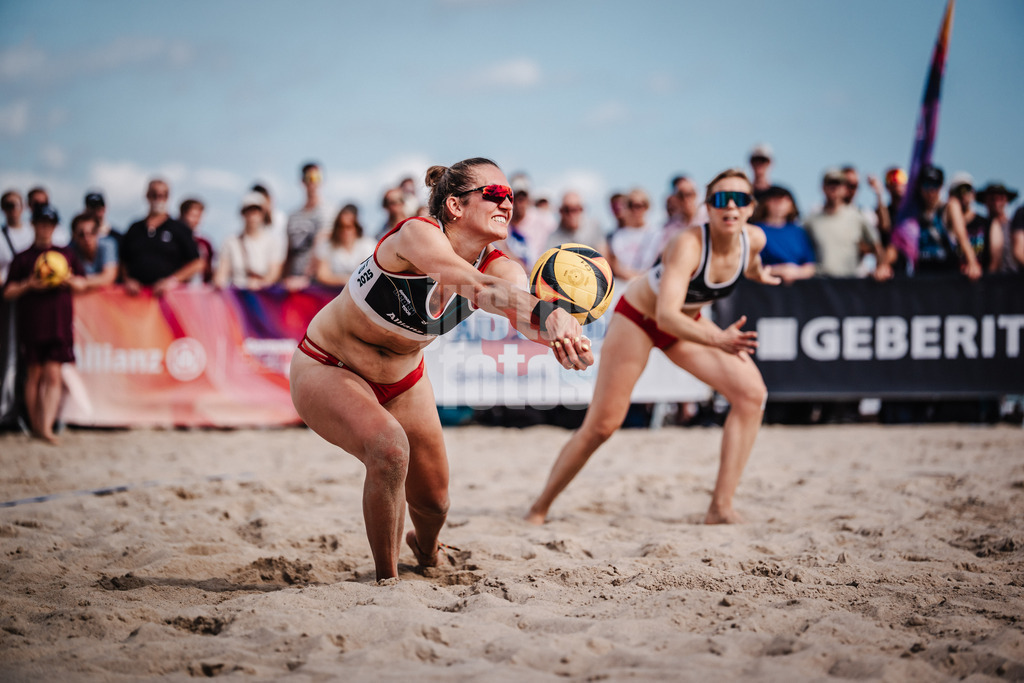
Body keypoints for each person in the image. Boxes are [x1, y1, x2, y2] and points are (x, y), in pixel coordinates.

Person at [289, 157, 591, 582]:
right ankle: (386, 582)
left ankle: (426, 550)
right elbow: (479, 289)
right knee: (389, 449)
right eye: (496, 194)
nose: (508, 204)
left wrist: (562, 336)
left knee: (435, 503)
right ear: (454, 206)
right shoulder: (416, 234)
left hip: (403, 379)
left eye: (511, 197)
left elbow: (518, 312)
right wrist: (548, 313)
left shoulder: (503, 265)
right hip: (328, 363)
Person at [526, 169, 780, 526]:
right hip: (641, 320)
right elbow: (666, 316)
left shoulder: (753, 240)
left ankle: (720, 508)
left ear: (751, 208)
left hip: (684, 324)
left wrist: (758, 274)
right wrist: (719, 339)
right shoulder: (688, 244)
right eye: (722, 199)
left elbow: (748, 262)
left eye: (740, 199)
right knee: (602, 426)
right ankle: (539, 507)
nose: (731, 207)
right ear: (708, 207)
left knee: (752, 395)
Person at [2, 205, 86, 444]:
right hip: (32, 324)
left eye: (49, 223)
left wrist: (67, 279)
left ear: (54, 226)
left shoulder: (66, 254)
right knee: (34, 375)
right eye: (41, 222)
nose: (45, 227)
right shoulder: (24, 258)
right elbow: (8, 291)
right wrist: (29, 285)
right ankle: (36, 426)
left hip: (59, 323)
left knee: (53, 375)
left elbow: (83, 283)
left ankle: (46, 427)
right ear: (34, 224)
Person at [803, 168, 890, 280]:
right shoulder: (811, 220)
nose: (834, 188)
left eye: (838, 184)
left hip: (850, 283)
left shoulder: (858, 217)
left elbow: (877, 245)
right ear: (823, 187)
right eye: (830, 184)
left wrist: (882, 267)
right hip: (820, 282)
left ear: (845, 189)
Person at [120, 179, 203, 296]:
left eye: (163, 195)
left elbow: (197, 263)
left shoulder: (179, 228)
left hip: (167, 299)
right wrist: (127, 279)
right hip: (135, 299)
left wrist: (173, 280)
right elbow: (123, 260)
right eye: (154, 194)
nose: (158, 198)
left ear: (168, 197)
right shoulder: (135, 228)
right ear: (147, 196)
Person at [213, 192, 285, 290]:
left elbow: (274, 274)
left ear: (263, 214)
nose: (253, 216)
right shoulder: (230, 242)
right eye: (249, 211)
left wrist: (260, 284)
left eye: (256, 211)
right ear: (243, 214)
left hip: (263, 298)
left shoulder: (273, 242)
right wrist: (219, 283)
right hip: (236, 298)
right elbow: (221, 273)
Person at [751, 185, 816, 283]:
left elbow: (810, 266)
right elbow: (749, 266)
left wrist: (796, 273)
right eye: (776, 200)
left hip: (798, 291)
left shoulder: (798, 232)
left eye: (785, 200)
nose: (780, 204)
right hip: (763, 289)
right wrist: (778, 270)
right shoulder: (755, 231)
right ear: (765, 203)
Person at [282, 162, 331, 291]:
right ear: (302, 181)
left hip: (315, 284)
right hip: (293, 282)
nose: (313, 182)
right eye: (309, 178)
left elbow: (321, 247)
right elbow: (289, 251)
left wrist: (306, 278)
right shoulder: (293, 216)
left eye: (317, 177)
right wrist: (283, 279)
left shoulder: (328, 213)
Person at [945, 173, 1000, 274]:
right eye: (957, 191)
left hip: (983, 284)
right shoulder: (944, 224)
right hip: (952, 283)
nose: (962, 194)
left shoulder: (989, 224)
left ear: (973, 193)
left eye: (967, 189)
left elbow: (995, 261)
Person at [312, 204, 375, 286]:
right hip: (333, 293)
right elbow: (322, 275)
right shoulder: (327, 246)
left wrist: (335, 279)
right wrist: (346, 280)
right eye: (341, 226)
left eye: (348, 227)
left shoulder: (368, 244)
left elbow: (365, 273)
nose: (345, 231)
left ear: (356, 227)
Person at [606, 187, 654, 281]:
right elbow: (617, 268)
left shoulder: (657, 234)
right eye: (632, 205)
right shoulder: (617, 236)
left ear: (647, 207)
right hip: (623, 286)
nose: (636, 209)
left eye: (641, 205)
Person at [543, 191, 607, 254]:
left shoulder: (594, 227)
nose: (571, 214)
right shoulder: (553, 237)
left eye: (575, 209)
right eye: (566, 210)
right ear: (560, 211)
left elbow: (603, 257)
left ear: (582, 209)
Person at [975, 181, 1019, 273]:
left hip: (1014, 279)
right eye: (992, 199)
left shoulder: (1015, 228)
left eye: (1000, 198)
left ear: (1006, 200)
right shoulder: (978, 228)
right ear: (985, 201)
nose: (996, 203)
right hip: (986, 281)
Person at [69, 212, 119, 289]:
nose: (87, 238)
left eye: (92, 232)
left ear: (98, 232)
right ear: (74, 236)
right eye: (81, 234)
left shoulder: (108, 244)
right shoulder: (69, 250)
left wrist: (83, 282)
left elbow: (109, 277)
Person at [179, 198, 214, 283]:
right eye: (192, 215)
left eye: (199, 216)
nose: (196, 220)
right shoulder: (171, 240)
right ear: (182, 215)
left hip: (198, 290)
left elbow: (209, 270)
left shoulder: (205, 243)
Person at [2, 191, 34, 281]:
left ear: (23, 207)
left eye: (17, 204)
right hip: (8, 287)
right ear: (3, 208)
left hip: (33, 286)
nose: (13, 209)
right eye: (9, 205)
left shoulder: (33, 231)